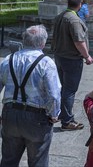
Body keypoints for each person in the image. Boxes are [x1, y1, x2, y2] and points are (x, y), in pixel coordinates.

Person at [0, 25, 61, 167]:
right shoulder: (46, 63)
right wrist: (53, 114)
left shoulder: (8, 59)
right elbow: (54, 94)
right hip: (36, 117)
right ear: (43, 43)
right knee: (38, 161)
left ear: (24, 40)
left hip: (10, 113)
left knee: (8, 161)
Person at [52, 0, 93, 130]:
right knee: (69, 90)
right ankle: (67, 121)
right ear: (79, 4)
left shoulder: (61, 16)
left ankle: (58, 114)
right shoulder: (73, 20)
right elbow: (78, 41)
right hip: (71, 58)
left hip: (59, 56)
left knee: (62, 88)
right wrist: (87, 56)